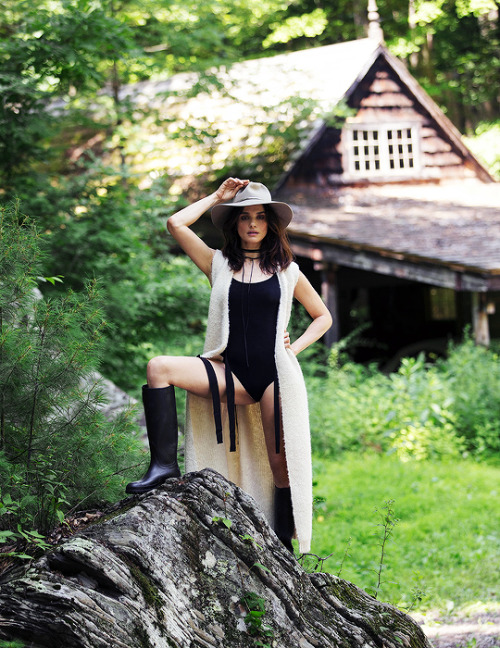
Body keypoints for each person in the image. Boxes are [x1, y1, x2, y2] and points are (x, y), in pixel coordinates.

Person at [126, 178, 332, 554]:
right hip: (229, 373)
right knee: (158, 367)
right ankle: (162, 467)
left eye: (259, 217)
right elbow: (175, 224)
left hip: (272, 376)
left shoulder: (288, 271)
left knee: (280, 461)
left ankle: (285, 545)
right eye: (244, 217)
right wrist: (218, 197)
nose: (252, 223)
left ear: (270, 224)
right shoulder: (217, 263)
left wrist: (294, 348)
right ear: (235, 224)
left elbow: (322, 317)